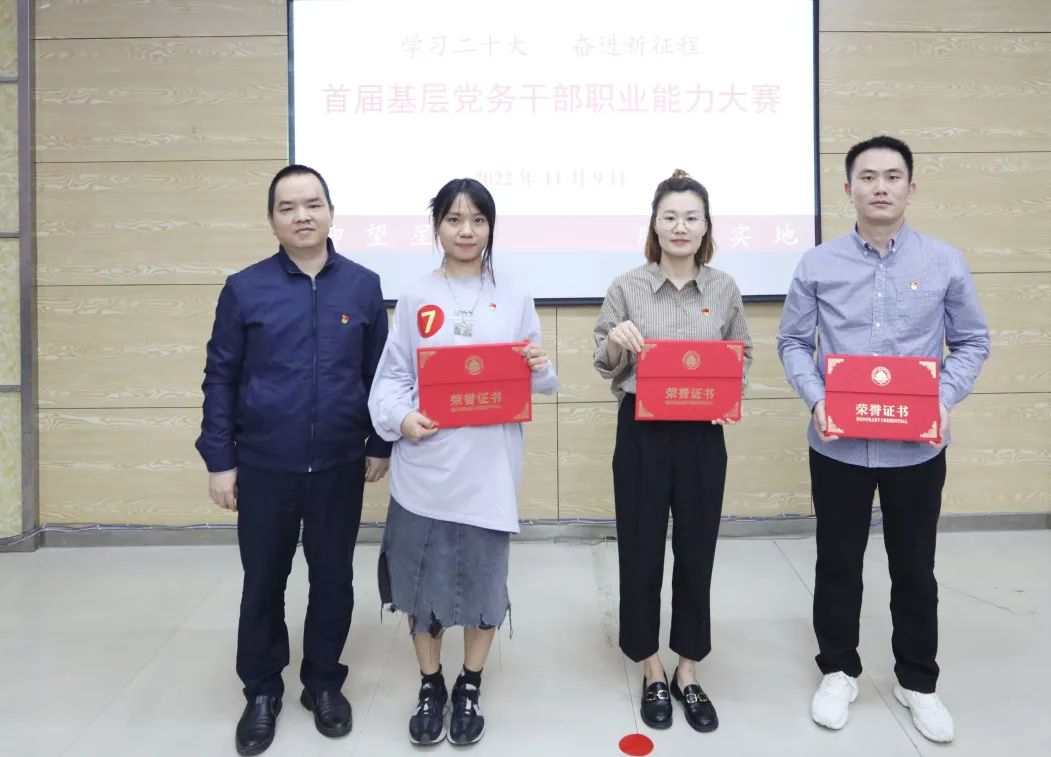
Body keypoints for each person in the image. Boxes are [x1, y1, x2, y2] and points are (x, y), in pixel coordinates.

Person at [777, 135, 990, 744]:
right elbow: (793, 341)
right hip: (838, 443)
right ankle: (838, 670)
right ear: (848, 189)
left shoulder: (945, 261)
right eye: (867, 177)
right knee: (837, 561)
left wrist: (942, 399)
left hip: (916, 447)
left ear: (911, 188)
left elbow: (972, 341)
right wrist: (817, 398)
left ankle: (917, 680)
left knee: (915, 565)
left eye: (892, 176)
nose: (880, 187)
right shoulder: (818, 264)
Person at [195, 164, 391, 756]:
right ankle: (261, 691)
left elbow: (381, 374)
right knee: (263, 581)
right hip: (264, 465)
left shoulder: (362, 286)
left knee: (333, 578)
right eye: (288, 207)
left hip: (338, 463)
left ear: (331, 211)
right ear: (272, 219)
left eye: (312, 204)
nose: (302, 216)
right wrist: (220, 460)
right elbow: (220, 377)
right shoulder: (244, 288)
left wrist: (379, 443)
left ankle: (323, 682)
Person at [368, 178, 558, 747]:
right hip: (425, 467)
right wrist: (402, 419)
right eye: (454, 219)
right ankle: (431, 683)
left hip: (488, 470)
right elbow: (391, 380)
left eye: (477, 219)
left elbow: (538, 381)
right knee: (418, 583)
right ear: (436, 228)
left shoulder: (515, 296)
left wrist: (540, 366)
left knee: (483, 584)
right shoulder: (416, 296)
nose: (466, 230)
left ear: (491, 227)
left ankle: (470, 682)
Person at [592, 170, 753, 733]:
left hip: (703, 434)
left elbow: (742, 354)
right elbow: (603, 359)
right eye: (670, 217)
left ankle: (688, 667)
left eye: (691, 217)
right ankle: (650, 666)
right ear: (654, 225)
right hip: (642, 431)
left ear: (706, 226)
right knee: (640, 549)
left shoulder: (725, 289)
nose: (680, 226)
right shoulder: (627, 287)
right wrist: (617, 343)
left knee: (697, 549)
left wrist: (728, 393)